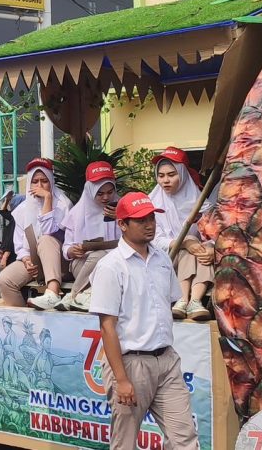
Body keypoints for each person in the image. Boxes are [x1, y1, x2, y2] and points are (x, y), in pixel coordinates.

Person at [88, 192, 200, 449]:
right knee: (125, 441)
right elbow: (107, 327)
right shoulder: (111, 266)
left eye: (151, 218)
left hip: (167, 360)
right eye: (141, 220)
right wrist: (122, 379)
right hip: (130, 363)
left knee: (184, 438)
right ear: (123, 224)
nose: (149, 224)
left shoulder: (162, 259)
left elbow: (170, 301)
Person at [0, 158, 73, 309]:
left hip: (60, 262)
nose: (39, 186)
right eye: (35, 181)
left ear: (51, 182)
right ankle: (23, 322)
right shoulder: (22, 210)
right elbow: (19, 244)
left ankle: (53, 293)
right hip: (34, 262)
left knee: (46, 239)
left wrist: (48, 198)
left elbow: (49, 232)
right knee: (5, 280)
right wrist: (26, 260)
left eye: (44, 181)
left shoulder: (64, 205)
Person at [149, 147, 213, 320]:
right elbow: (154, 239)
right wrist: (183, 243)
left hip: (196, 257)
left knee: (199, 248)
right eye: (161, 176)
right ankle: (190, 300)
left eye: (171, 174)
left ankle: (188, 302)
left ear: (183, 174)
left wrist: (211, 248)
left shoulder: (201, 203)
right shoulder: (152, 203)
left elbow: (214, 234)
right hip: (166, 257)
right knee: (190, 240)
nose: (165, 181)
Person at [54, 162, 120, 312]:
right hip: (82, 264)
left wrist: (122, 218)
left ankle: (75, 295)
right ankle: (79, 295)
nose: (106, 197)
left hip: (114, 265)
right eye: (100, 193)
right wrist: (71, 251)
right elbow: (66, 247)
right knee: (99, 256)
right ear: (90, 191)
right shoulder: (76, 213)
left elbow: (132, 241)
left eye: (110, 192)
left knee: (103, 259)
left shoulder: (122, 209)